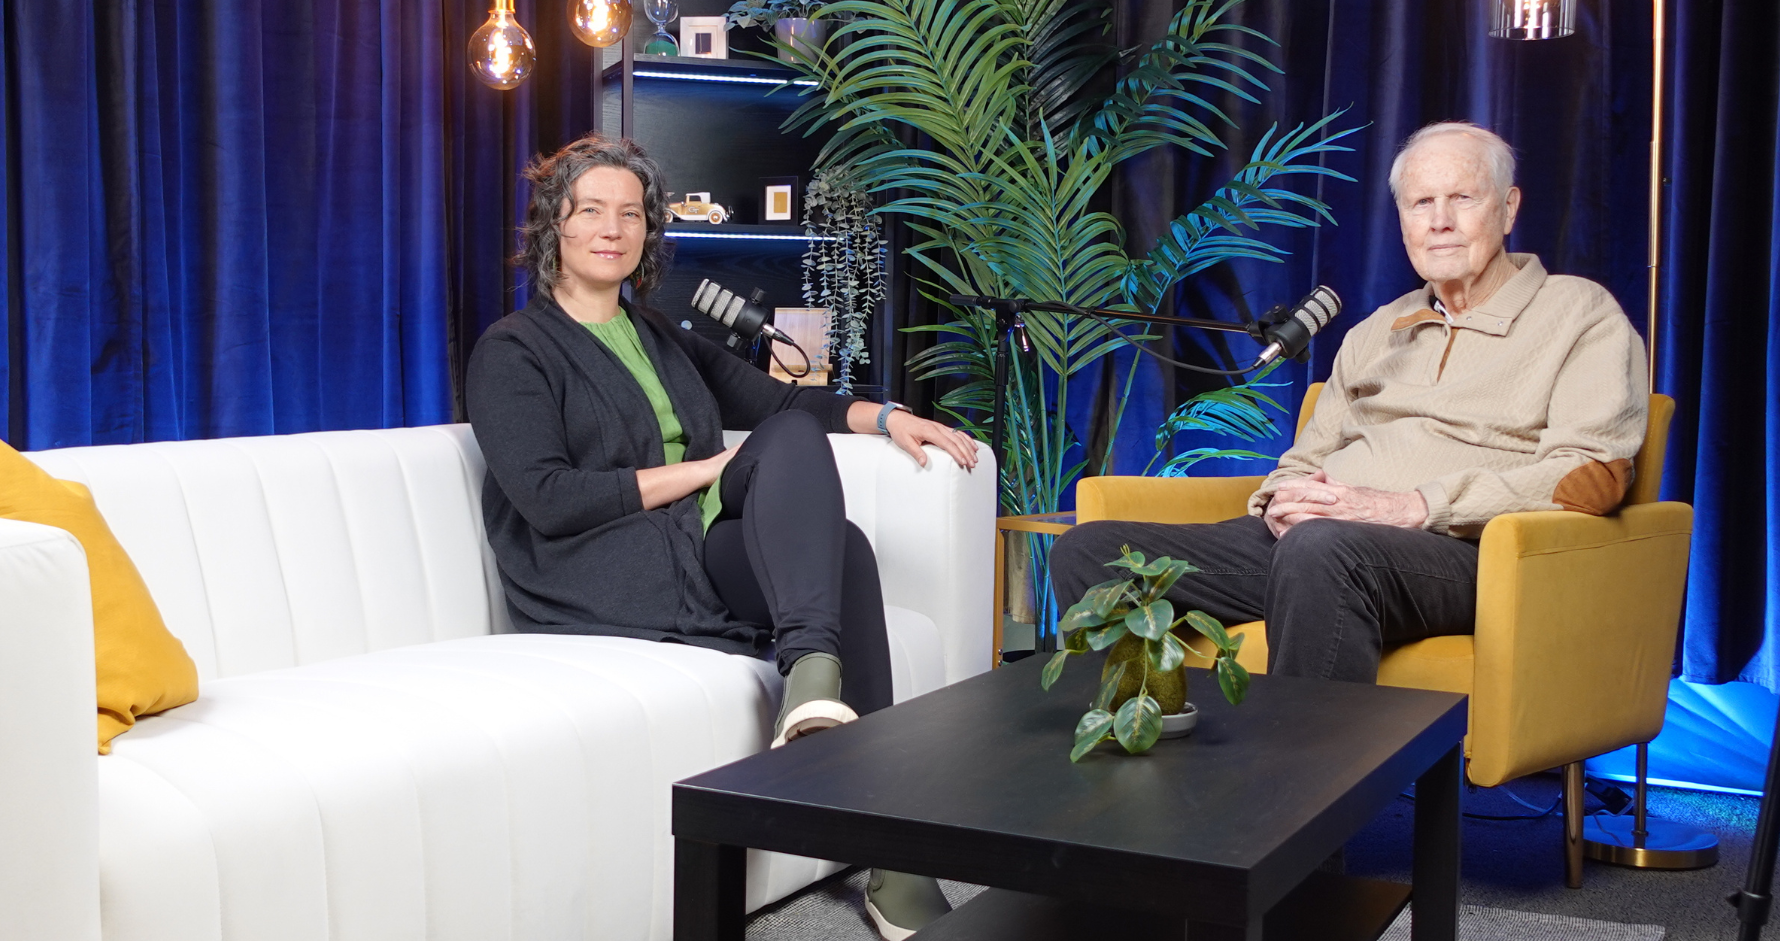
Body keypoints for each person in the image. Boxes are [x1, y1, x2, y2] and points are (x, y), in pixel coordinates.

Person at [464, 134, 975, 939]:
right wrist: (709, 471)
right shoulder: (513, 350)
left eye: (630, 213)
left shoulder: (658, 335)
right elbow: (552, 500)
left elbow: (782, 409)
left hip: (692, 548)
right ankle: (817, 681)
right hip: (601, 566)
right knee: (808, 510)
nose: (613, 228)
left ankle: (888, 845)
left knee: (845, 545)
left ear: (647, 233)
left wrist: (887, 415)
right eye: (591, 210)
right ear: (552, 227)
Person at [1051, 121, 1649, 682]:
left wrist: (1416, 505)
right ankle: (1156, 766)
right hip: (1319, 549)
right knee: (1093, 552)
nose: (1440, 221)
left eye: (1462, 199)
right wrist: (1282, 502)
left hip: (1467, 556)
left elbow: (1592, 477)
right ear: (1403, 221)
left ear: (1509, 207)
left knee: (1322, 549)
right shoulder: (1376, 331)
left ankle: (1301, 789)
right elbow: (1303, 459)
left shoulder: (1578, 313)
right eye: (1421, 204)